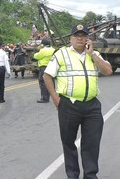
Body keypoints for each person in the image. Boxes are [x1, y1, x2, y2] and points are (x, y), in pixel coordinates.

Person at [43, 24, 113, 179]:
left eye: (83, 36)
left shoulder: (94, 54)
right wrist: (55, 99)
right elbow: (47, 76)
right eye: (76, 35)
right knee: (68, 143)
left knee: (92, 143)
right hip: (69, 105)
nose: (80, 38)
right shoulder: (61, 54)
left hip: (92, 105)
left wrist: (93, 54)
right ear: (71, 38)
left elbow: (108, 71)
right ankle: (72, 175)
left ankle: (90, 175)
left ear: (87, 38)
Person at [33, 38, 55, 103]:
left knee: (43, 82)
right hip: (52, 67)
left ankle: (45, 98)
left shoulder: (43, 50)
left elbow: (36, 56)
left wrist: (38, 49)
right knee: (51, 82)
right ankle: (52, 96)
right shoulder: (53, 50)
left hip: (44, 67)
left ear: (43, 44)